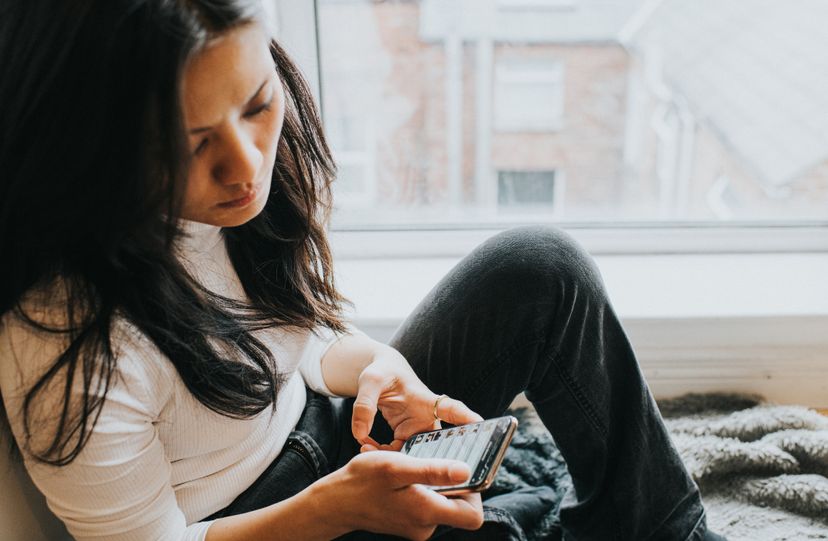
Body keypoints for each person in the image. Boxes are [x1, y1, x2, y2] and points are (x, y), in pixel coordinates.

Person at [0, 1, 727, 540]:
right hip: (250, 524)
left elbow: (302, 343)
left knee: (542, 271)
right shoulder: (65, 350)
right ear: (90, 145)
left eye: (257, 104)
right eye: (189, 146)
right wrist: (334, 506)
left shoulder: (242, 191)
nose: (246, 167)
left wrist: (375, 364)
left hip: (330, 443)